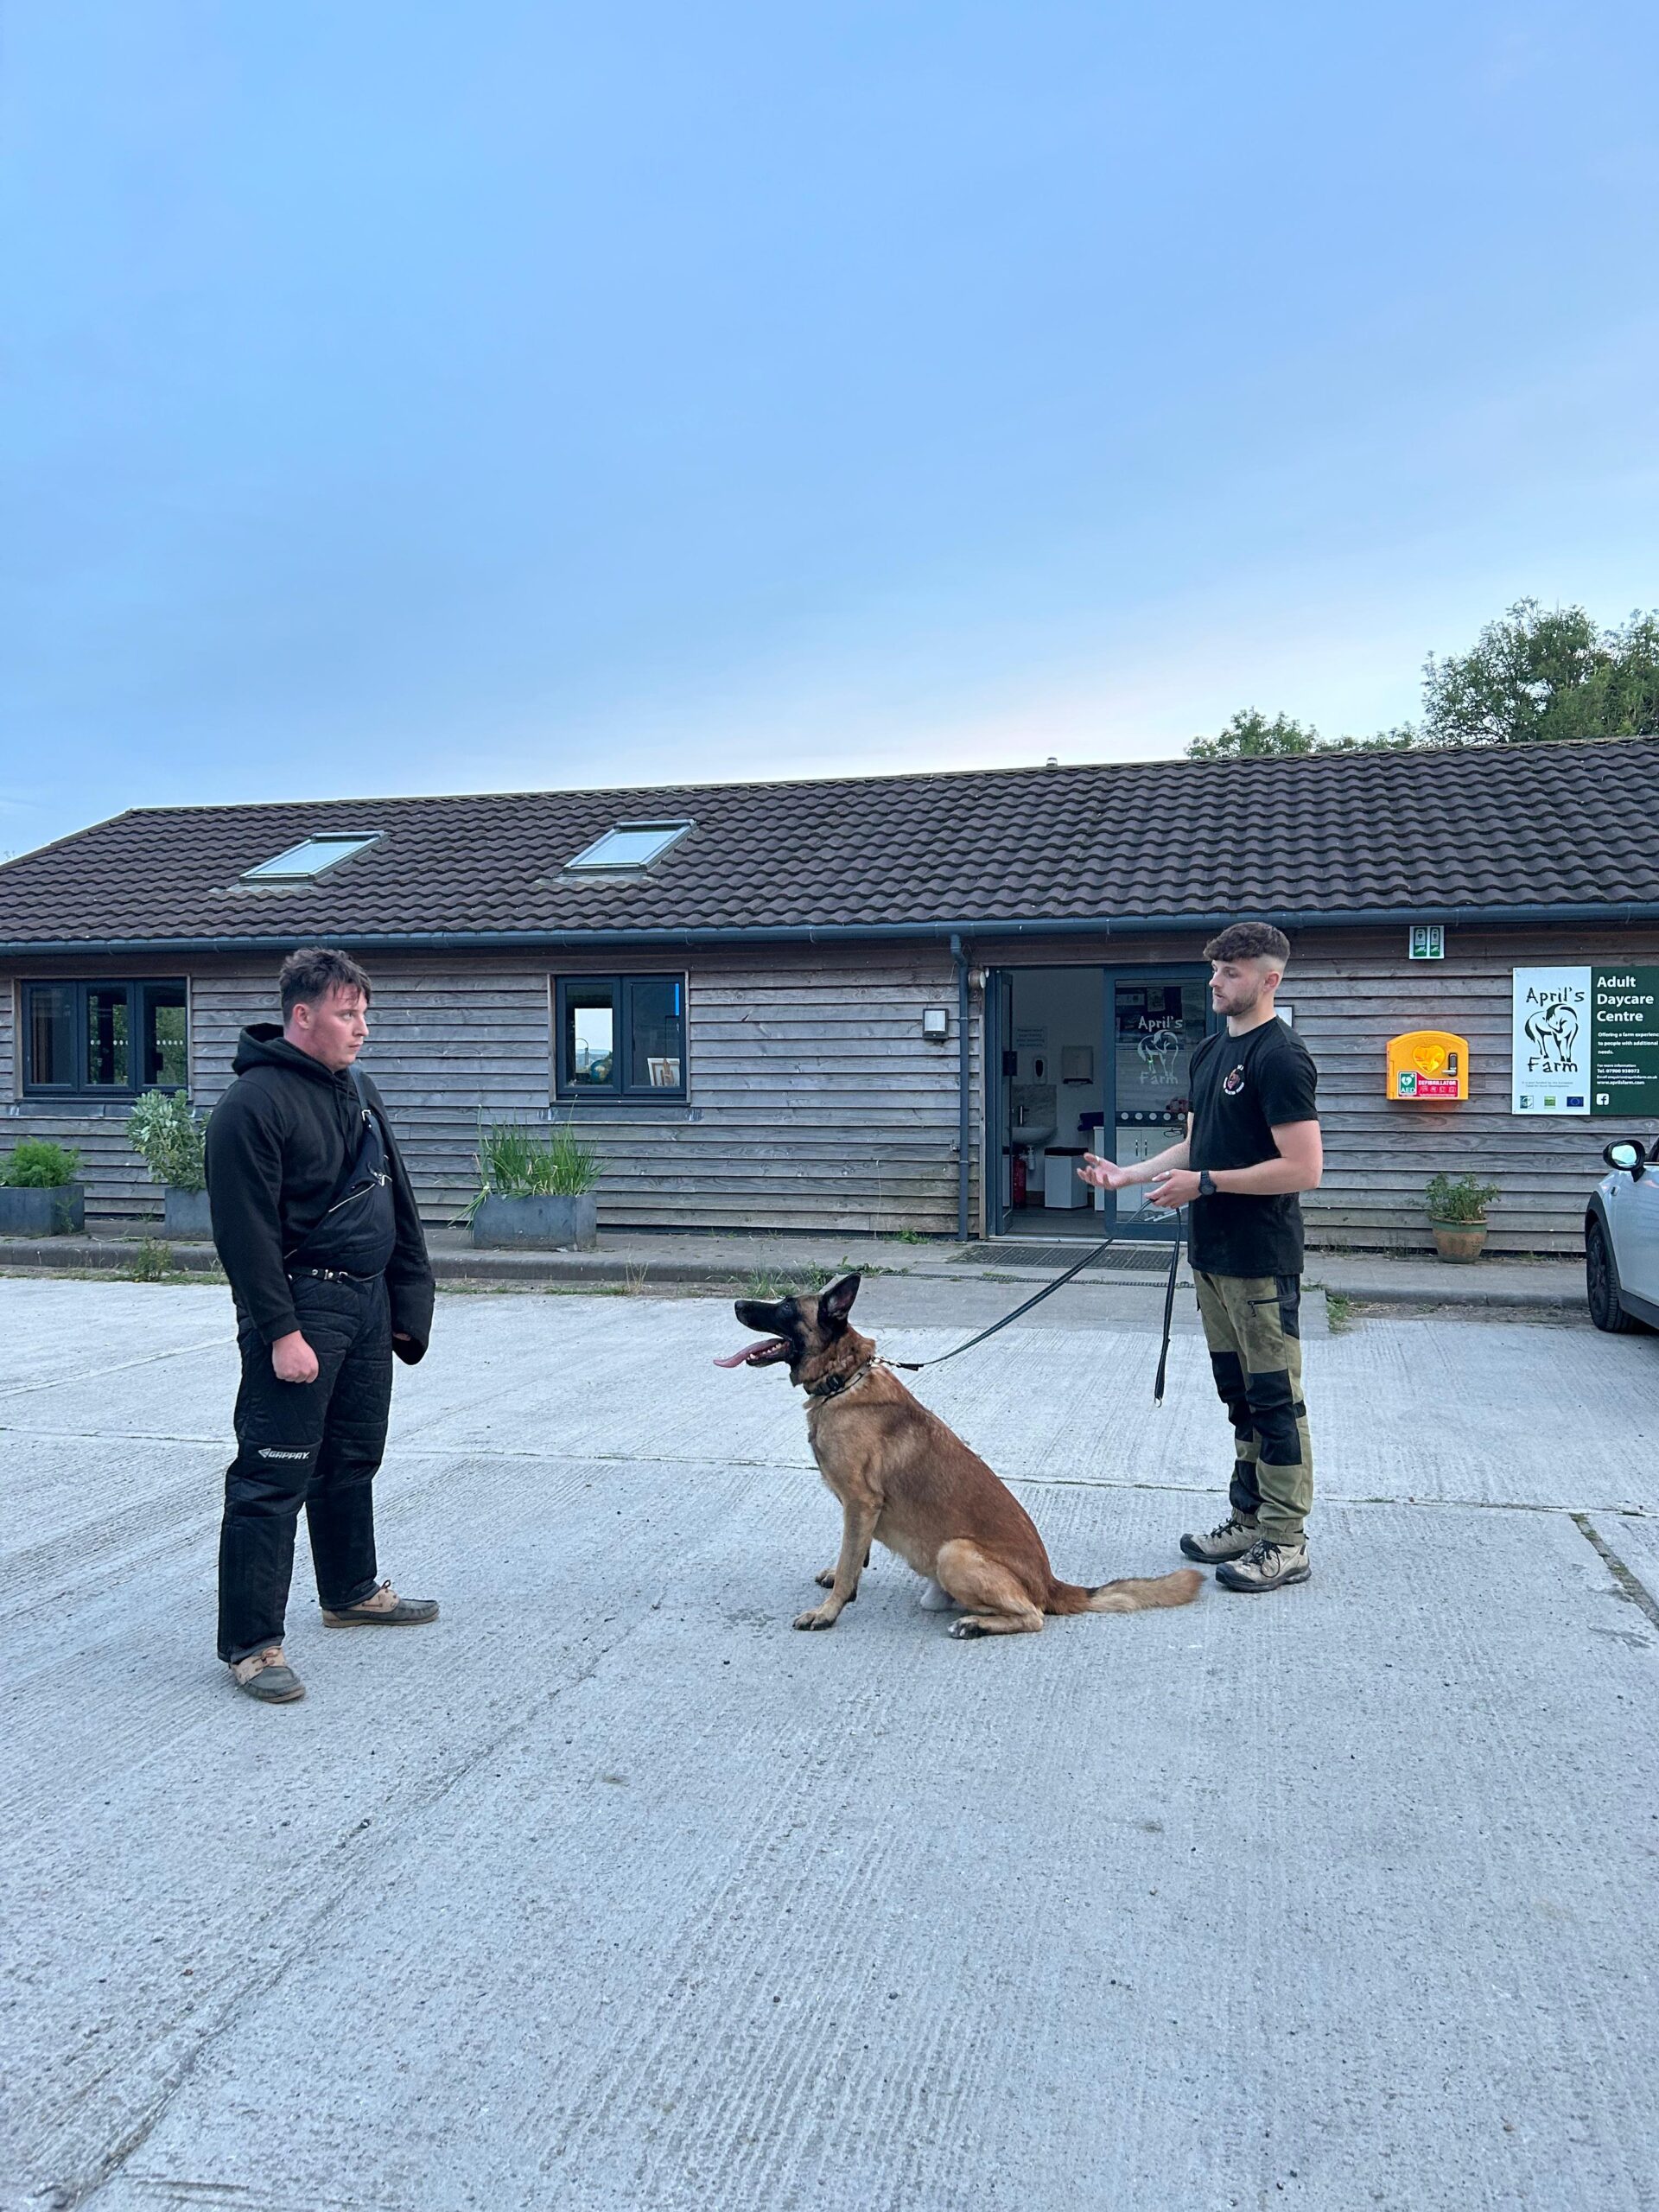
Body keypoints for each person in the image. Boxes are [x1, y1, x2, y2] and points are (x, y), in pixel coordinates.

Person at [207, 946, 438, 1701]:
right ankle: (252, 1645)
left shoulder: (360, 1090)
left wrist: (407, 1305)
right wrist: (281, 1333)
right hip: (300, 1307)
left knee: (352, 1458)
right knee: (272, 1474)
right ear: (302, 1016)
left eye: (364, 1012)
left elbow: (396, 1201)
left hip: (367, 1305)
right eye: (347, 1014)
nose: (362, 1028)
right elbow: (244, 1237)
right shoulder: (251, 1106)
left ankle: (350, 1591)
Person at [1081, 922, 1322, 1592]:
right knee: (1240, 1398)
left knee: (1276, 1400)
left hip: (1261, 1256)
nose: (1215, 982)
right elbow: (1199, 1144)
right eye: (1214, 969)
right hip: (1212, 1255)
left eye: (1231, 972)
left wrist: (1206, 1185)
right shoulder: (1211, 1051)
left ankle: (1286, 1540)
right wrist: (1129, 1176)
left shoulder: (1282, 1057)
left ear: (1269, 980)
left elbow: (1304, 1168)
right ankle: (1248, 1520)